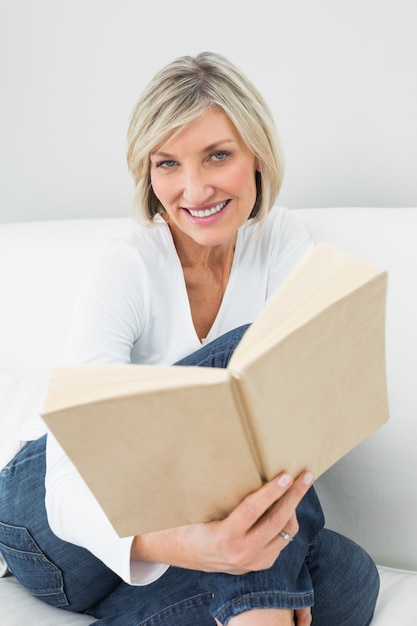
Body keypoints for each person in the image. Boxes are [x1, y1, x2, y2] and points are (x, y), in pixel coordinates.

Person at [0, 52, 379, 625]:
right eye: (168, 164)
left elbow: (309, 418)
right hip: (50, 521)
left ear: (257, 155)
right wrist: (187, 549)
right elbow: (67, 484)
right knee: (249, 357)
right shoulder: (126, 266)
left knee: (348, 578)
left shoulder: (281, 244)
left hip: (176, 524)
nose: (193, 189)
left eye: (217, 156)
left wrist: (213, 549)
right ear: (148, 175)